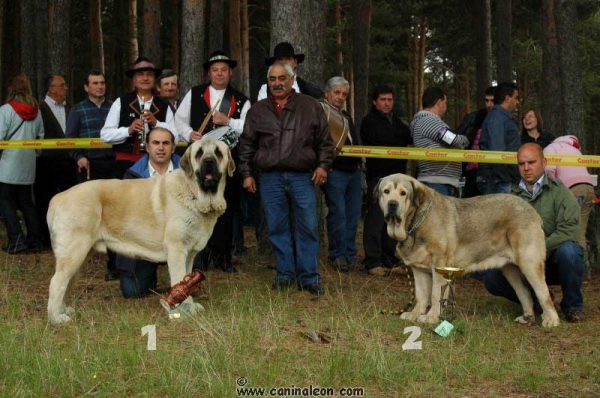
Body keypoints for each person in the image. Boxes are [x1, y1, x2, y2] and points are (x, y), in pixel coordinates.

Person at [239, 62, 334, 295]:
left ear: (292, 80)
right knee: (276, 227)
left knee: (308, 227)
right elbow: (247, 145)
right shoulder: (258, 110)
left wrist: (323, 166)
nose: (277, 83)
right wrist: (246, 174)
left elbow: (325, 142)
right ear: (268, 82)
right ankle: (284, 274)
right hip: (269, 178)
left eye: (282, 78)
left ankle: (309, 277)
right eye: (272, 79)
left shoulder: (311, 106)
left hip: (303, 176)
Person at [480, 143, 585, 323]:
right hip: (522, 263)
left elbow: (569, 229)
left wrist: (537, 250)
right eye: (522, 164)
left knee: (570, 252)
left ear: (544, 163)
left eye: (531, 162)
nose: (526, 168)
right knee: (491, 278)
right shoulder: (509, 198)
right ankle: (539, 299)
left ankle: (572, 306)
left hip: (553, 260)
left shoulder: (560, 192)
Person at [175, 50, 250, 273]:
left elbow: (248, 128)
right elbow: (179, 122)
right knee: (197, 207)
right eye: (215, 70)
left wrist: (228, 121)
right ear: (209, 72)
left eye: (224, 70)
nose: (219, 74)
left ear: (231, 73)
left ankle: (223, 256)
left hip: (225, 165)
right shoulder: (195, 94)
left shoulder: (242, 100)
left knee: (225, 209)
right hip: (199, 164)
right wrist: (190, 135)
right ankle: (199, 256)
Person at [115, 127, 180, 298]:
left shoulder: (189, 174)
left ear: (173, 148)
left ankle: (187, 275)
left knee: (190, 288)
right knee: (133, 292)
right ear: (148, 147)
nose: (161, 147)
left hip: (181, 238)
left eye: (166, 143)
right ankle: (149, 273)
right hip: (144, 242)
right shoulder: (132, 176)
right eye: (155, 143)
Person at [360, 85, 412, 276]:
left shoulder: (397, 121)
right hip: (378, 179)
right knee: (375, 220)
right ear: (375, 102)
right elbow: (387, 140)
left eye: (390, 99)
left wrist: (397, 139)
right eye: (383, 99)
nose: (387, 103)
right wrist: (397, 140)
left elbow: (406, 136)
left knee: (393, 219)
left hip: (398, 179)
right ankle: (372, 262)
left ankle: (389, 259)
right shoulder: (369, 121)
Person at [101, 57, 176, 177]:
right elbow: (105, 135)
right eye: (140, 74)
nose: (145, 78)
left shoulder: (164, 105)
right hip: (125, 164)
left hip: (156, 165)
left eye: (149, 75)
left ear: (154, 80)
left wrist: (156, 123)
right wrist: (128, 130)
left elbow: (175, 138)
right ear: (134, 80)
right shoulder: (121, 102)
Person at [320, 76, 363, 272]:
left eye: (344, 94)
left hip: (354, 171)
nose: (340, 97)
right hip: (335, 171)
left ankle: (349, 254)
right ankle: (337, 255)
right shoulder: (321, 112)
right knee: (338, 215)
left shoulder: (345, 116)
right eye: (336, 92)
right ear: (327, 93)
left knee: (353, 216)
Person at [0, 74, 44, 254]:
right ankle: (35, 239)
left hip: (8, 164)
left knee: (5, 201)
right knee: (26, 202)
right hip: (28, 165)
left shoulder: (6, 110)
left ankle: (16, 239)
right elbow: (40, 139)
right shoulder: (37, 111)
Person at [36, 75, 77, 246]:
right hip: (46, 164)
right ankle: (45, 238)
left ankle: (69, 237)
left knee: (70, 201)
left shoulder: (72, 109)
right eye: (62, 85)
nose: (66, 88)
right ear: (51, 89)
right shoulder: (39, 109)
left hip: (69, 162)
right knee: (44, 201)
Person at [410, 86, 469, 196]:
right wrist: (465, 139)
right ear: (439, 102)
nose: (446, 106)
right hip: (438, 183)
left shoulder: (422, 121)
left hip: (438, 182)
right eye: (445, 103)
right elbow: (453, 140)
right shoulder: (429, 120)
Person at [544, 135, 594, 253]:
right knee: (580, 232)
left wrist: (552, 188)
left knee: (568, 229)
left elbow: (548, 168)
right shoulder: (576, 150)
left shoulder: (551, 148)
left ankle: (570, 264)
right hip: (589, 189)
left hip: (573, 189)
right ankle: (583, 266)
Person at [66, 71, 115, 182]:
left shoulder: (115, 107)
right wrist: (79, 157)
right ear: (86, 87)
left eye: (102, 83)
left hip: (113, 163)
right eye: (95, 83)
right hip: (88, 163)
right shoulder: (77, 110)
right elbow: (69, 139)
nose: (100, 86)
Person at [477, 82, 521, 194]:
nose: (518, 102)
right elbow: (498, 152)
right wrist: (513, 175)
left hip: (500, 179)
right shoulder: (497, 118)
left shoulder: (501, 118)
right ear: (507, 98)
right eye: (516, 98)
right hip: (497, 181)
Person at [455, 86, 495, 197]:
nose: (489, 104)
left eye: (492, 101)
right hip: (472, 171)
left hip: (492, 173)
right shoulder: (474, 117)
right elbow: (458, 136)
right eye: (486, 100)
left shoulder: (504, 120)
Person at [257, 42, 323, 101]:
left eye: (288, 59)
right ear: (274, 64)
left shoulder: (312, 90)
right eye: (280, 59)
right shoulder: (265, 90)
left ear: (295, 62)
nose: (284, 63)